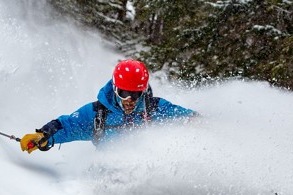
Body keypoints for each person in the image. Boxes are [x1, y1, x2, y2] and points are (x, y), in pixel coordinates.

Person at [19, 59, 196, 153]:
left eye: (135, 94)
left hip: (149, 172)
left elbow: (185, 117)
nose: (129, 100)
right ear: (115, 89)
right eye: (124, 93)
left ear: (143, 92)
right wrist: (43, 136)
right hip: (106, 175)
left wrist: (202, 123)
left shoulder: (155, 109)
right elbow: (67, 125)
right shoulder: (98, 114)